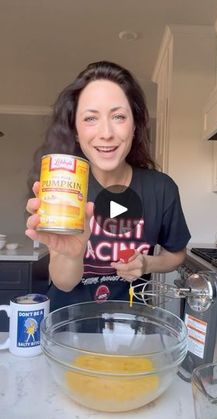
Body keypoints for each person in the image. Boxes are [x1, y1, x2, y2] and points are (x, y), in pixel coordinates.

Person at [26, 61, 191, 311]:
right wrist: (72, 253)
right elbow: (64, 282)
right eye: (91, 118)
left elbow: (176, 254)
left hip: (130, 326)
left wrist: (146, 264)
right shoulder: (62, 189)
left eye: (118, 116)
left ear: (135, 125)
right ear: (76, 131)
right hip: (67, 327)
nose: (106, 133)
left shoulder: (161, 189)